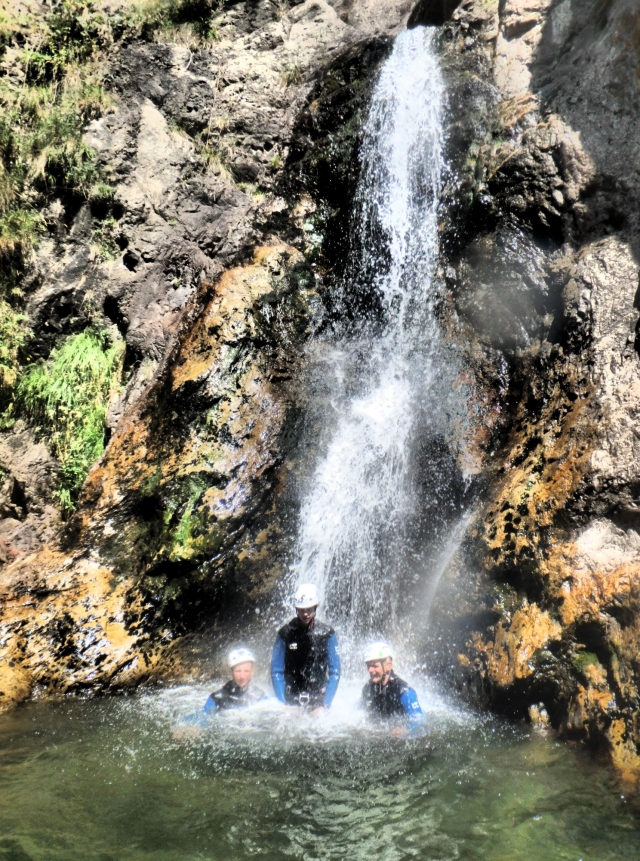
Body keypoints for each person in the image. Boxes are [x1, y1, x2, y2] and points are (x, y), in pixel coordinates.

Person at [271, 583, 340, 713]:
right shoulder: (285, 633)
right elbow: (276, 670)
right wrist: (282, 704)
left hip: (318, 699)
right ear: (296, 609)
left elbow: (335, 671)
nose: (306, 614)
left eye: (309, 609)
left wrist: (325, 705)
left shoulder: (327, 633)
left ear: (316, 606)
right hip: (291, 699)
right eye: (302, 610)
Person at [361, 642, 424, 729]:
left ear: (388, 665)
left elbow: (419, 721)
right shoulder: (367, 689)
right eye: (368, 666)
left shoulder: (404, 691)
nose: (370, 670)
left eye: (375, 666)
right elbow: (361, 712)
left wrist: (406, 729)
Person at [204, 647, 266, 713]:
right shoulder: (216, 699)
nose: (242, 676)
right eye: (238, 671)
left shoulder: (260, 696)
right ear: (231, 672)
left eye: (246, 671)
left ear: (252, 672)